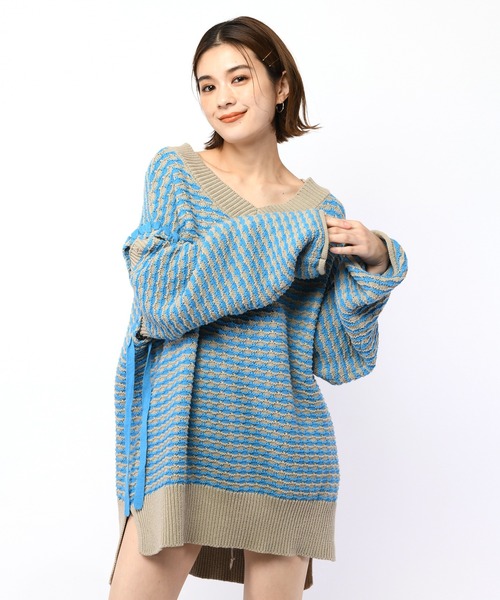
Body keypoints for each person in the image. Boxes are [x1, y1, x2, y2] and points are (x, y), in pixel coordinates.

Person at [108, 15, 408, 600]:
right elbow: (159, 295)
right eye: (207, 85)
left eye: (239, 78)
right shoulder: (177, 173)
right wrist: (286, 235)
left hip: (286, 450)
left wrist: (375, 267)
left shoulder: (322, 210)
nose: (222, 98)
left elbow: (337, 357)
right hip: (182, 443)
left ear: (281, 84)